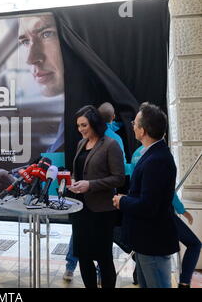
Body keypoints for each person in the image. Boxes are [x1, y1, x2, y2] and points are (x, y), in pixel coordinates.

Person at [0, 13, 65, 209]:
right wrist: (13, 180)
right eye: (25, 41)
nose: (30, 58)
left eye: (46, 34)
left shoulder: (91, 115)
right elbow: (50, 165)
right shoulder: (72, 117)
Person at [113, 103, 179, 288]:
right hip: (145, 241)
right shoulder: (152, 154)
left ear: (142, 131)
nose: (132, 125)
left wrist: (123, 200)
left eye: (135, 123)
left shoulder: (157, 160)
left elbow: (148, 206)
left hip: (153, 242)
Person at [66, 105, 124, 288]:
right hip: (80, 209)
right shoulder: (81, 144)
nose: (80, 129)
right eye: (78, 126)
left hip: (101, 211)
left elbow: (119, 178)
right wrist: (74, 181)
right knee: (83, 256)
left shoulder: (110, 145)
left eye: (84, 125)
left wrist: (90, 185)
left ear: (94, 123)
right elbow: (79, 172)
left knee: (104, 258)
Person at [130, 144, 201, 288]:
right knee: (194, 244)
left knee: (144, 251)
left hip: (143, 212)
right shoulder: (159, 157)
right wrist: (182, 210)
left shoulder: (138, 154)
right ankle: (184, 282)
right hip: (161, 214)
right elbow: (167, 191)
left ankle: (139, 274)